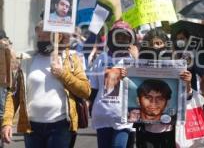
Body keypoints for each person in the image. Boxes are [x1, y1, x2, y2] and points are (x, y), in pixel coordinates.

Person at [1, 21, 91, 148]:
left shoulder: (70, 58)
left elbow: (85, 91)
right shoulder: (27, 60)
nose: (41, 40)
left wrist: (63, 74)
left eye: (45, 37)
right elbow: (14, 94)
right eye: (39, 37)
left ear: (57, 37)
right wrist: (7, 122)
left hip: (60, 127)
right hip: (31, 128)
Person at [89, 20, 138, 148]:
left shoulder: (134, 59)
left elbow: (143, 86)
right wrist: (91, 108)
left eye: (125, 36)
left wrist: (137, 60)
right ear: (111, 38)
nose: (121, 39)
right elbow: (93, 88)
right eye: (118, 36)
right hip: (103, 116)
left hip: (125, 117)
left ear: (130, 39)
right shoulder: (101, 58)